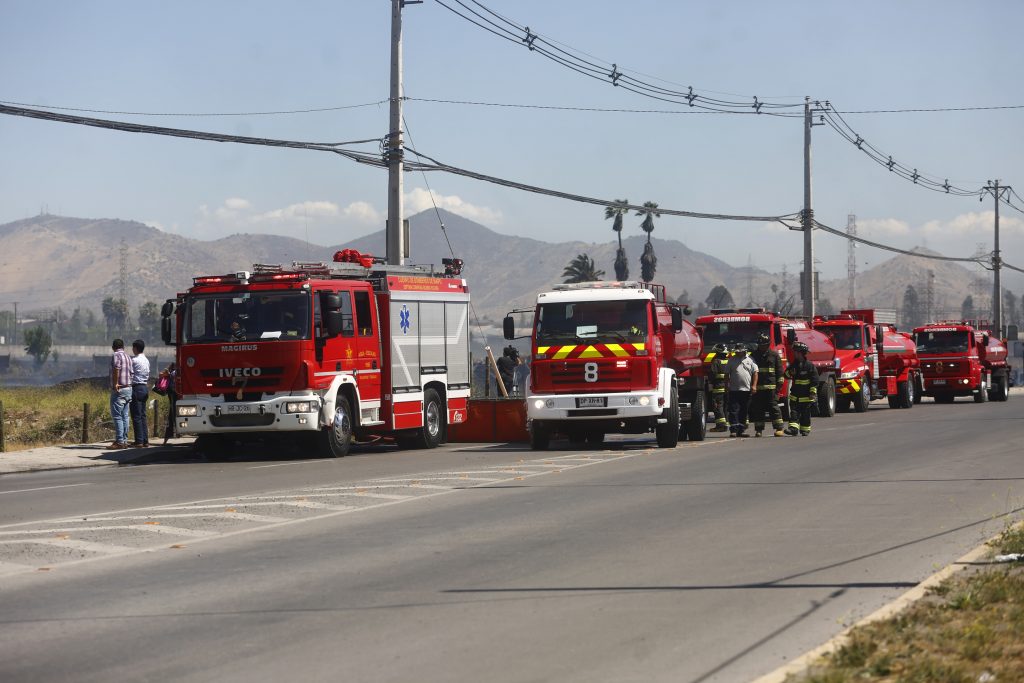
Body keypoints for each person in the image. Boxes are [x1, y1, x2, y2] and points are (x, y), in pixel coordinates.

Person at [749, 333, 786, 437]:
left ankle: (779, 428)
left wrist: (779, 387)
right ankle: (759, 430)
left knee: (773, 408)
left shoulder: (774, 355)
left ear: (768, 345)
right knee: (758, 409)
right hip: (758, 388)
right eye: (760, 345)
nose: (761, 347)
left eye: (763, 345)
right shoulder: (754, 355)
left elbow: (779, 372)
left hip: (771, 388)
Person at [784, 341, 819, 436]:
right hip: (795, 396)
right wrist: (790, 372)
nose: (794, 353)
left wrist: (812, 392)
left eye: (796, 352)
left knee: (805, 414)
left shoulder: (809, 366)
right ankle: (793, 429)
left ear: (801, 353)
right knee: (794, 413)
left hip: (806, 397)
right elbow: (786, 375)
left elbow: (815, 381)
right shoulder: (793, 364)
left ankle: (805, 429)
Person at [726, 342, 758, 437]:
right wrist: (726, 385)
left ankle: (741, 430)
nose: (737, 353)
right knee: (733, 410)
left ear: (744, 351)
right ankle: (733, 430)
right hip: (734, 390)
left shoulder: (750, 360)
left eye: (739, 352)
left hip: (746, 390)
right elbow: (727, 374)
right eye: (736, 352)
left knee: (744, 410)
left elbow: (755, 373)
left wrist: (754, 386)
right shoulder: (731, 360)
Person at [109, 338, 133, 449]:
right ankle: (124, 440)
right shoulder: (128, 357)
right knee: (125, 416)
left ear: (113, 347)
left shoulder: (116, 355)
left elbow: (116, 369)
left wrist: (115, 384)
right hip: (128, 388)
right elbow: (132, 373)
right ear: (123, 347)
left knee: (117, 416)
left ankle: (119, 441)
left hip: (120, 389)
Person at [129, 339, 151, 447]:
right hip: (144, 387)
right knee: (143, 415)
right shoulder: (146, 360)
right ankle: (145, 440)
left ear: (136, 348)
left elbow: (129, 374)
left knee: (136, 416)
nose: (132, 350)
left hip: (136, 388)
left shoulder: (134, 360)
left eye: (133, 348)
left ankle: (139, 441)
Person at [707, 343, 730, 432]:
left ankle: (721, 426)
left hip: (718, 388)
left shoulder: (716, 361)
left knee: (718, 406)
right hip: (728, 388)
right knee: (725, 407)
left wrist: (710, 382)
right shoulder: (729, 361)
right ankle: (726, 424)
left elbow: (713, 374)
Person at [160, 361, 178, 445]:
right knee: (172, 417)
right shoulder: (174, 373)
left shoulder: (171, 373)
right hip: (175, 397)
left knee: (171, 417)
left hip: (173, 397)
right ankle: (176, 433)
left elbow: (161, 374)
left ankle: (166, 439)